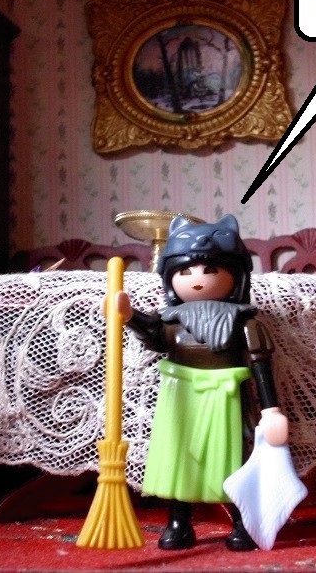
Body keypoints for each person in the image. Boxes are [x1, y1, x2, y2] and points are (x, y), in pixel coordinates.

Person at [112, 214, 288, 550]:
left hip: (229, 397)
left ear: (236, 276)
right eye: (185, 271)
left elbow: (261, 366)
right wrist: (129, 316)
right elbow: (154, 337)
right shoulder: (171, 321)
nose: (197, 279)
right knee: (181, 457)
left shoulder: (244, 323)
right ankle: (179, 523)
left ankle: (243, 522)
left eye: (210, 269)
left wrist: (271, 411)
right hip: (181, 397)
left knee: (236, 459)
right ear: (169, 277)